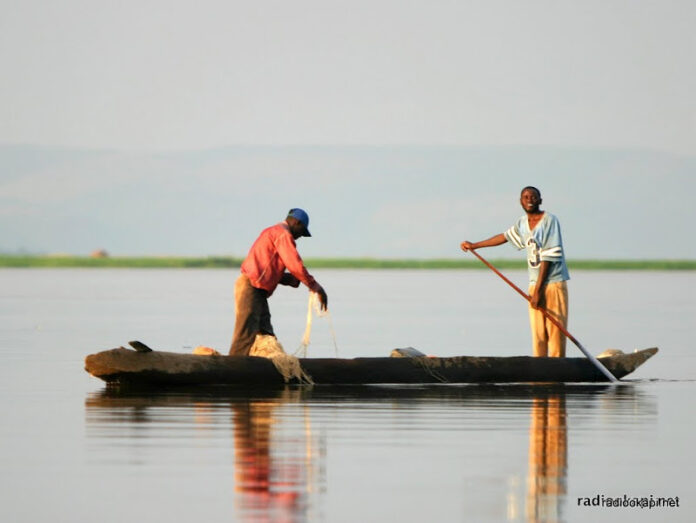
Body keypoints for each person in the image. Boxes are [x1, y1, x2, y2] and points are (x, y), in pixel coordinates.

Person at [460, 186, 570, 357]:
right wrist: (475, 245)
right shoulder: (522, 223)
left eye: (533, 197)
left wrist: (539, 292)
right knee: (539, 334)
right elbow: (504, 237)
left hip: (553, 283)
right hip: (535, 285)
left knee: (555, 332)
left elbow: (548, 258)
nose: (529, 200)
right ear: (520, 202)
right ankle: (540, 369)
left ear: (540, 200)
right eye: (525, 197)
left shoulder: (550, 221)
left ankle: (557, 369)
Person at [229, 208, 328, 356]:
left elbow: (267, 268)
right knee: (245, 336)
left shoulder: (274, 232)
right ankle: (232, 371)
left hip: (257, 289)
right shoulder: (283, 234)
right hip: (251, 287)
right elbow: (295, 264)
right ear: (296, 222)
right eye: (302, 232)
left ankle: (269, 370)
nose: (300, 236)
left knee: (267, 336)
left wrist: (291, 280)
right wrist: (316, 287)